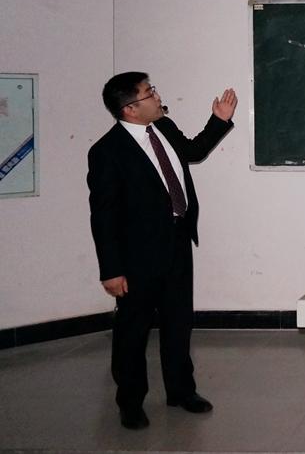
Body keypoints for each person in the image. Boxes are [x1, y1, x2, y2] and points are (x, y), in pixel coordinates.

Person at [87, 72, 236, 430]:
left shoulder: (164, 127)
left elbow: (193, 152)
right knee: (133, 331)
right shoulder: (107, 151)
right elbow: (103, 216)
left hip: (178, 241)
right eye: (149, 92)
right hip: (136, 256)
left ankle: (182, 391)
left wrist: (219, 120)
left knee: (178, 323)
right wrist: (111, 269)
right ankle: (130, 402)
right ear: (130, 108)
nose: (157, 96)